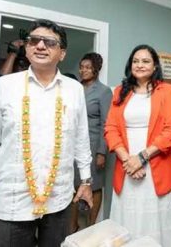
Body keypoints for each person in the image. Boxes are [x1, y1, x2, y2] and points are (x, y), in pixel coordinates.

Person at [0, 19, 93, 247]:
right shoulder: (3, 86)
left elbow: (81, 139)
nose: (40, 46)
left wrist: (85, 180)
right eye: (34, 40)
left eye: (50, 42)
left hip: (59, 200)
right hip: (12, 202)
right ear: (27, 47)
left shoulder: (74, 90)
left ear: (62, 53)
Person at [104, 44, 171, 247]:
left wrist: (141, 158)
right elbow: (110, 129)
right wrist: (128, 160)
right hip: (126, 166)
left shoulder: (167, 91)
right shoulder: (120, 92)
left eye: (145, 61)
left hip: (156, 166)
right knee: (127, 221)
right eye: (135, 61)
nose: (140, 65)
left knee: (155, 223)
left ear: (155, 65)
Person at [69, 53, 112, 230]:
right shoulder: (74, 88)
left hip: (94, 145)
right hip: (72, 144)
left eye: (87, 67)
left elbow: (107, 123)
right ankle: (72, 226)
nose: (83, 70)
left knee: (94, 186)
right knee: (73, 184)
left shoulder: (103, 91)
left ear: (96, 69)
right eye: (81, 67)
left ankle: (91, 226)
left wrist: (102, 152)